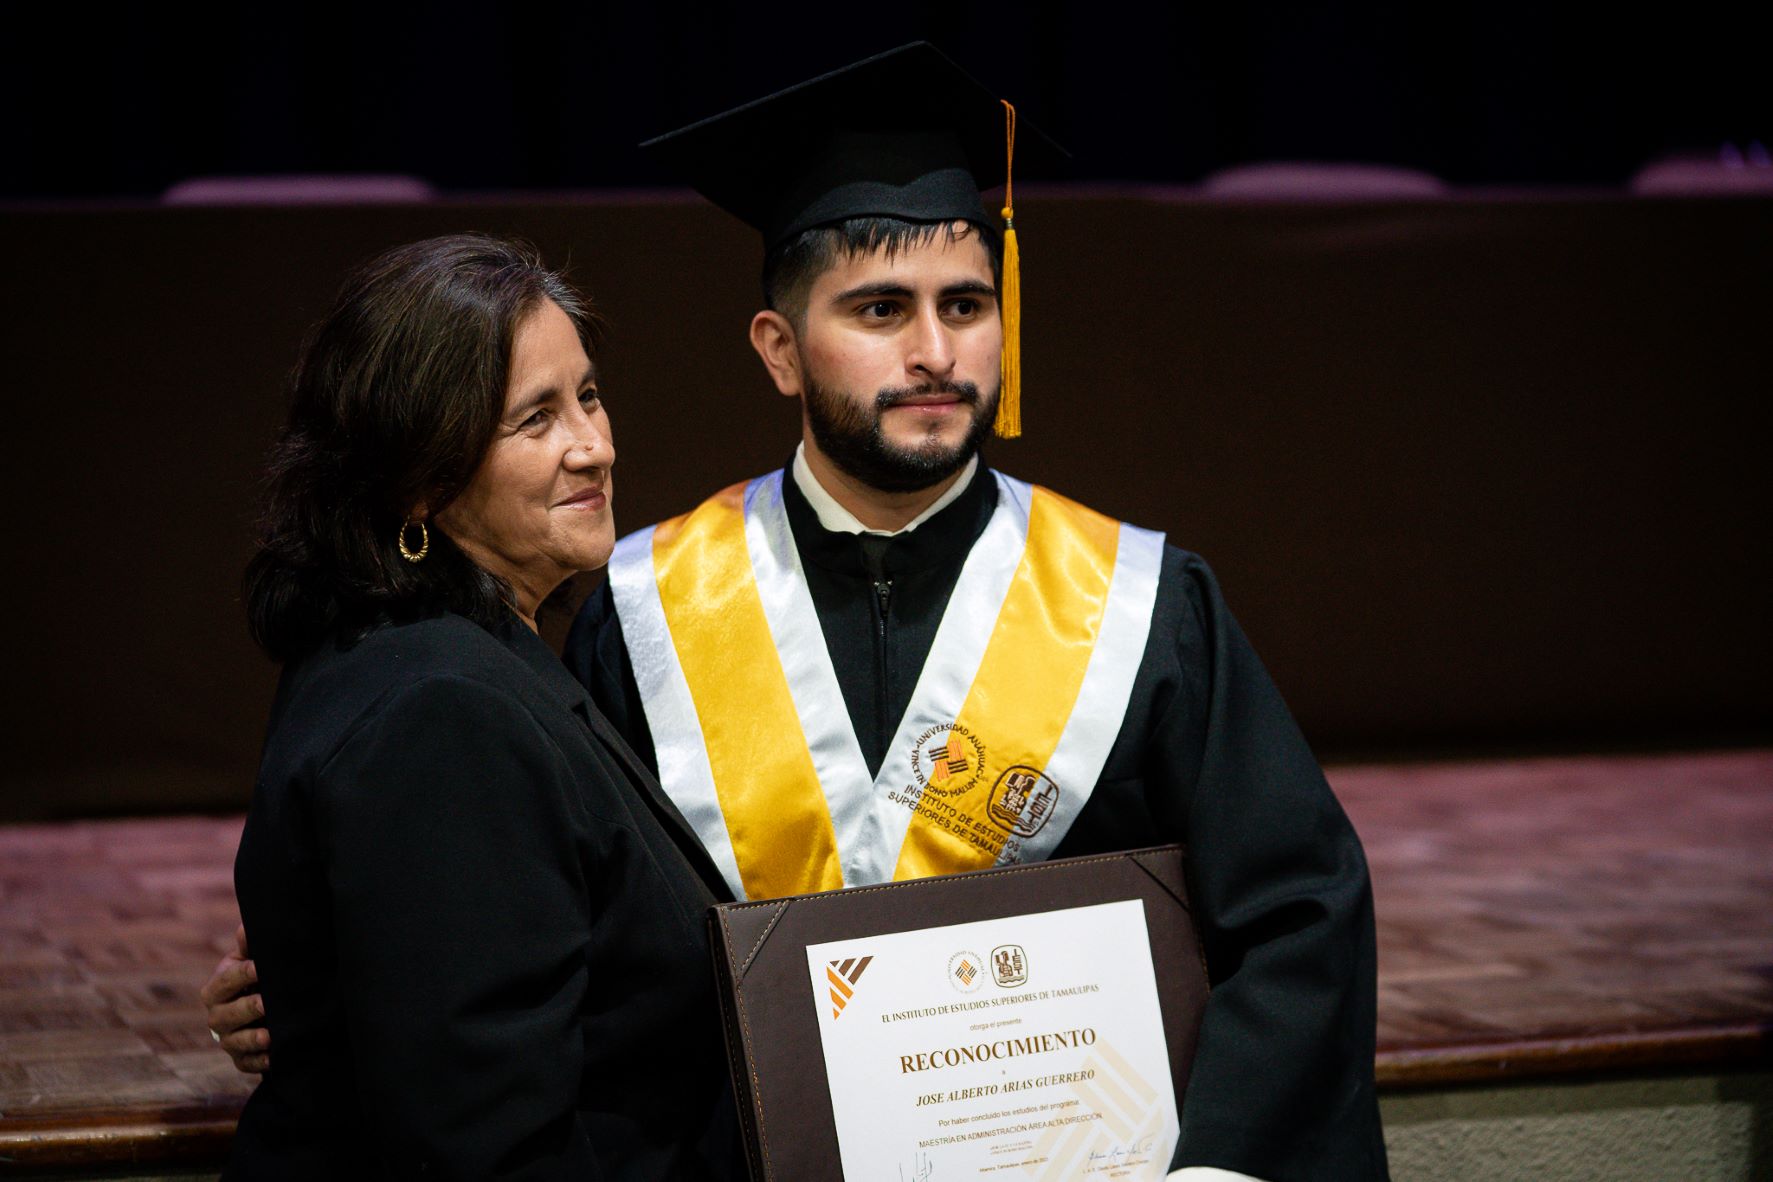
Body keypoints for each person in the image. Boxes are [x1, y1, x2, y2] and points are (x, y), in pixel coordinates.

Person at [569, 45, 1389, 1181]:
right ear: (779, 352)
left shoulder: (1136, 603)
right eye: (879, 309)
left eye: (966, 304)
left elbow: (1301, 915)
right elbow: (568, 935)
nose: (936, 351)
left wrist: (1218, 1167)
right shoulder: (650, 609)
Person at [218, 233, 738, 1180]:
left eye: (587, 395)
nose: (595, 446)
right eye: (534, 419)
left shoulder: (434, 653)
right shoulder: (442, 713)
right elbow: (486, 1145)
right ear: (420, 476)